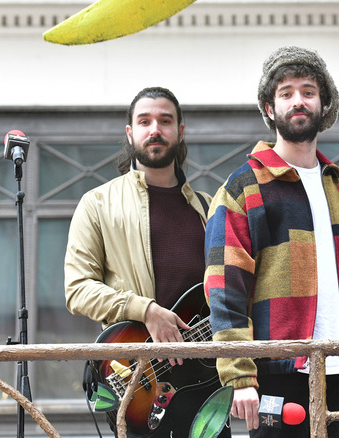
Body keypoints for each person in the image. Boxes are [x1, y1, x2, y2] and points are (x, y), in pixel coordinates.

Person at [204, 46, 339, 438]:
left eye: (308, 91)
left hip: (332, 370)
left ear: (324, 104)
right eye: (286, 92)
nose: (298, 101)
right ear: (269, 107)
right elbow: (225, 288)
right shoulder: (244, 187)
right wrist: (239, 373)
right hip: (274, 372)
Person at [64, 86, 230, 438]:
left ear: (180, 131)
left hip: (207, 384)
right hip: (140, 382)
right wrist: (145, 310)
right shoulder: (97, 204)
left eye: (165, 121)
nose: (155, 129)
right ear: (131, 133)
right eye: (145, 121)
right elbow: (77, 290)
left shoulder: (207, 207)